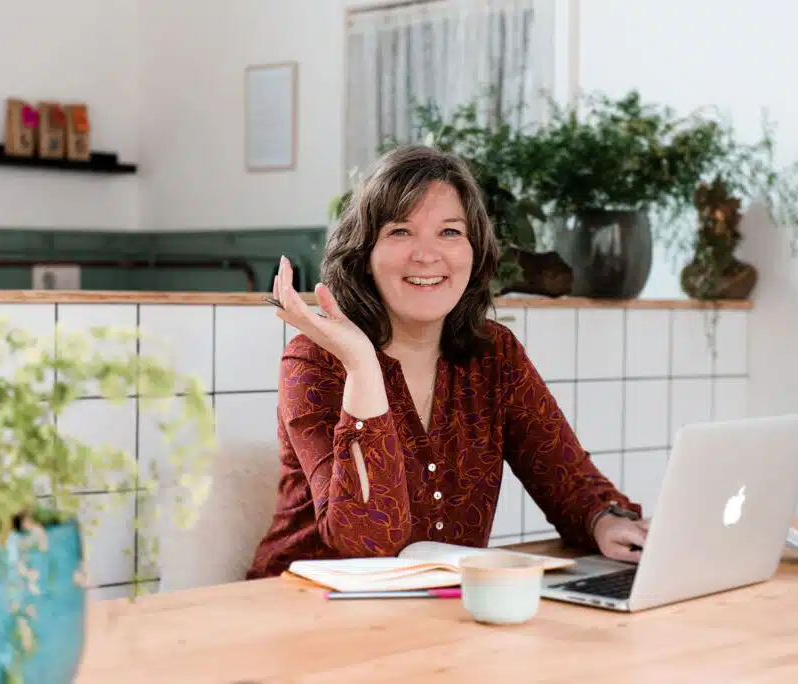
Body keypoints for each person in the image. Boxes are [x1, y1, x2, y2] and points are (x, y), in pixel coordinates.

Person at [247, 144, 648, 579]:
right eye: (400, 231)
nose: (426, 255)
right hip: (302, 614)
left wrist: (605, 520)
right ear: (364, 254)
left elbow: (566, 477)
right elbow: (366, 540)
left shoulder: (495, 355)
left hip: (440, 614)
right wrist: (362, 365)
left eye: (450, 232)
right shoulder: (315, 359)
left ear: (474, 251)